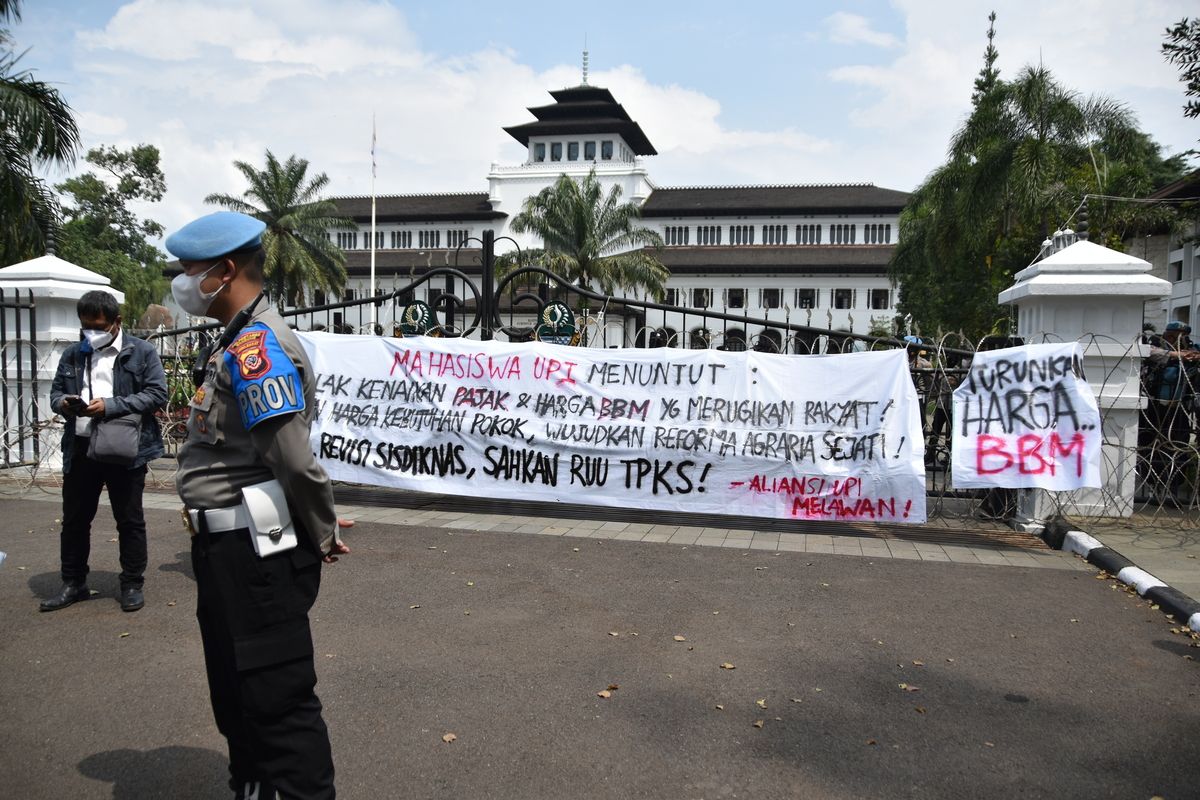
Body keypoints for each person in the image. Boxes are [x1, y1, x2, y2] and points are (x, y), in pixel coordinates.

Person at [166, 211, 352, 800]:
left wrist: (321, 528)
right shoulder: (233, 339)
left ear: (224, 271)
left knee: (276, 700)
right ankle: (252, 787)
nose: (182, 281)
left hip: (255, 555)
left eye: (189, 270)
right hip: (225, 549)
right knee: (235, 693)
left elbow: (293, 460)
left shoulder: (257, 348)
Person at [42, 290, 167, 612]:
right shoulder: (73, 354)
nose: (92, 332)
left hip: (125, 447)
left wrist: (111, 406)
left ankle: (132, 584)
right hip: (81, 447)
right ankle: (73, 583)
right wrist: (64, 403)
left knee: (129, 520)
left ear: (116, 322)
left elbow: (157, 393)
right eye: (86, 326)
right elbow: (55, 393)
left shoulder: (141, 352)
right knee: (74, 520)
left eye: (98, 326)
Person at [1138, 320, 1200, 504]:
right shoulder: (1155, 345)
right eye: (1173, 336)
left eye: (1181, 337)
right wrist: (1176, 354)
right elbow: (1148, 352)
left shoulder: (1191, 350)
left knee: (1177, 447)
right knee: (1149, 445)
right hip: (1154, 408)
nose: (1177, 340)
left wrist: (1192, 356)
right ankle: (1152, 485)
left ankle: (1172, 488)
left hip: (1179, 409)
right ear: (1166, 334)